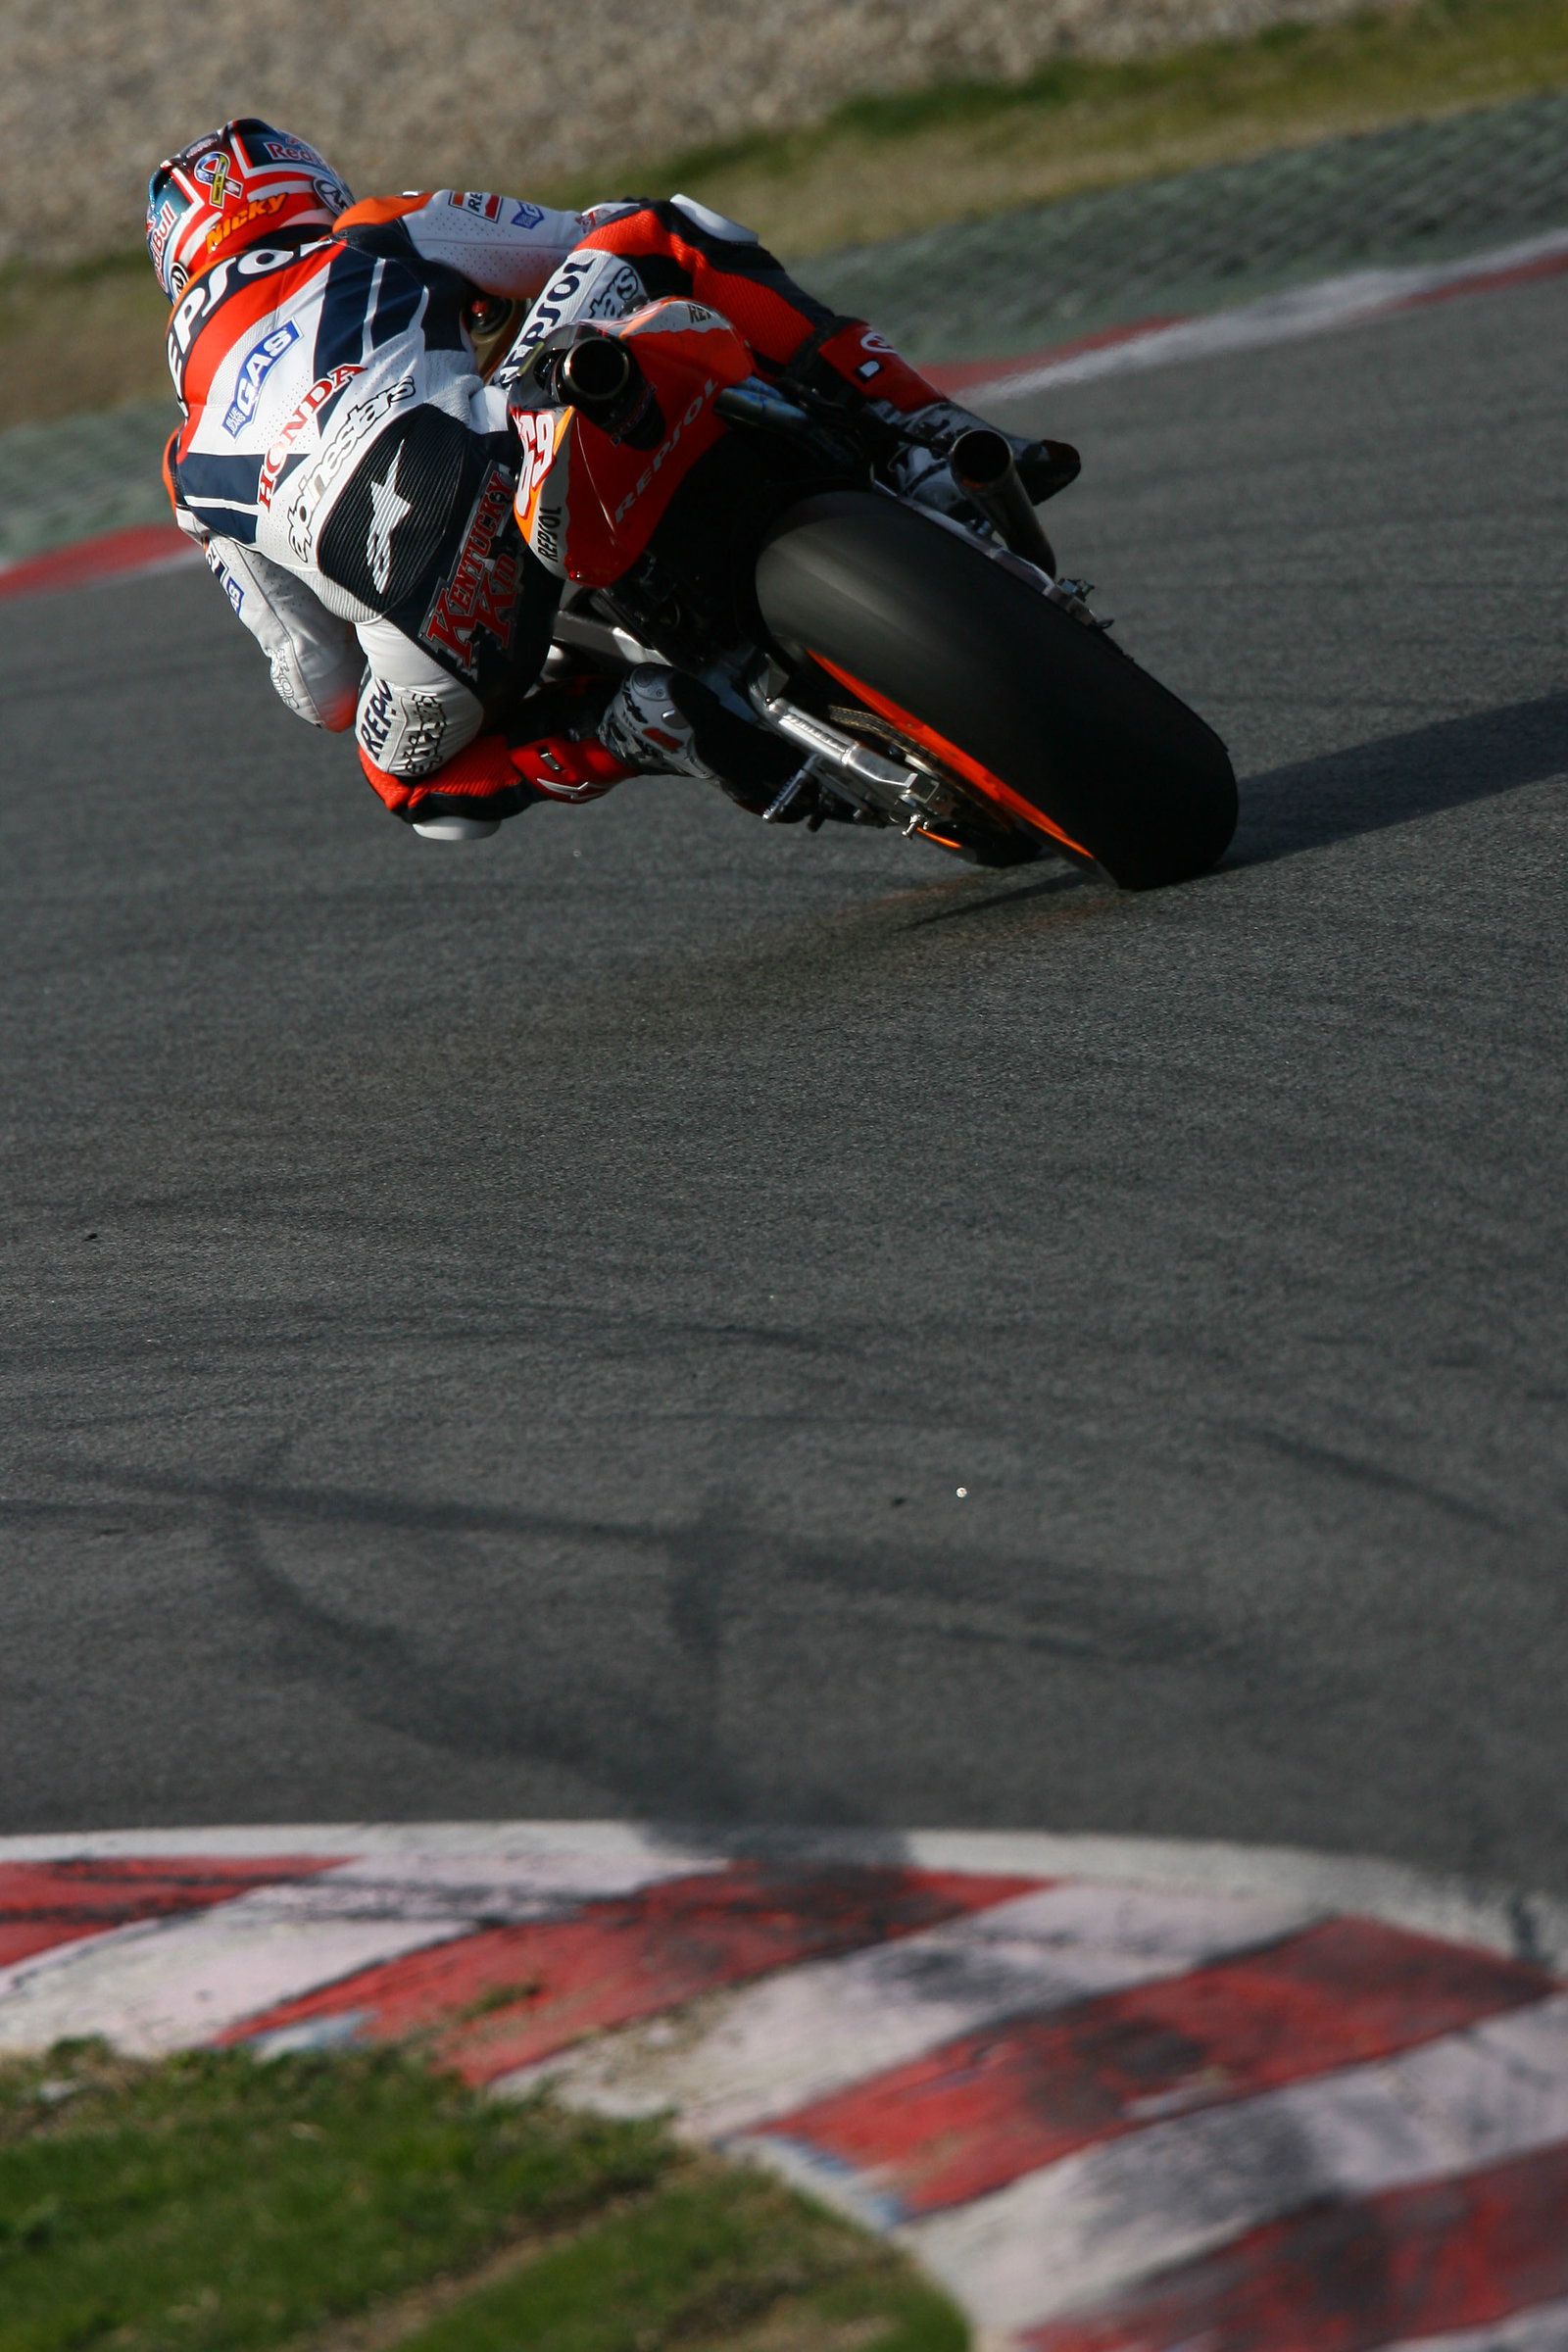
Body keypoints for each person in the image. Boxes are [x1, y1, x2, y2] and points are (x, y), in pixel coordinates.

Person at [150, 119, 1076, 837]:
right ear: (307, 184)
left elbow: (321, 688)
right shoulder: (371, 229)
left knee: (407, 784)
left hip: (439, 630)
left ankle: (629, 729)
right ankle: (923, 434)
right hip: (507, 453)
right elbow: (579, 238)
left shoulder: (187, 463)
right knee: (659, 228)